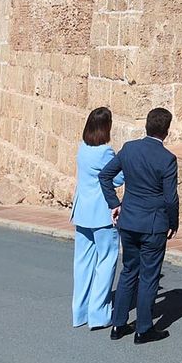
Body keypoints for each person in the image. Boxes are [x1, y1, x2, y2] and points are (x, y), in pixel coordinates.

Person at [101, 107, 179, 344]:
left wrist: (114, 203)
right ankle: (143, 328)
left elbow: (105, 176)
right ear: (166, 131)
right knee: (148, 276)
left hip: (129, 220)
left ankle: (118, 324)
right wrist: (173, 222)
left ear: (146, 126)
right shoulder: (167, 159)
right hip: (154, 224)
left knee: (128, 272)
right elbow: (170, 197)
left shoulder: (129, 149)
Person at [71, 107, 123, 329]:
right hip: (102, 213)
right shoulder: (106, 152)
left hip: (82, 211)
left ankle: (79, 312)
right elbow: (118, 178)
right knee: (105, 262)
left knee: (82, 263)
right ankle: (98, 314)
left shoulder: (82, 149)